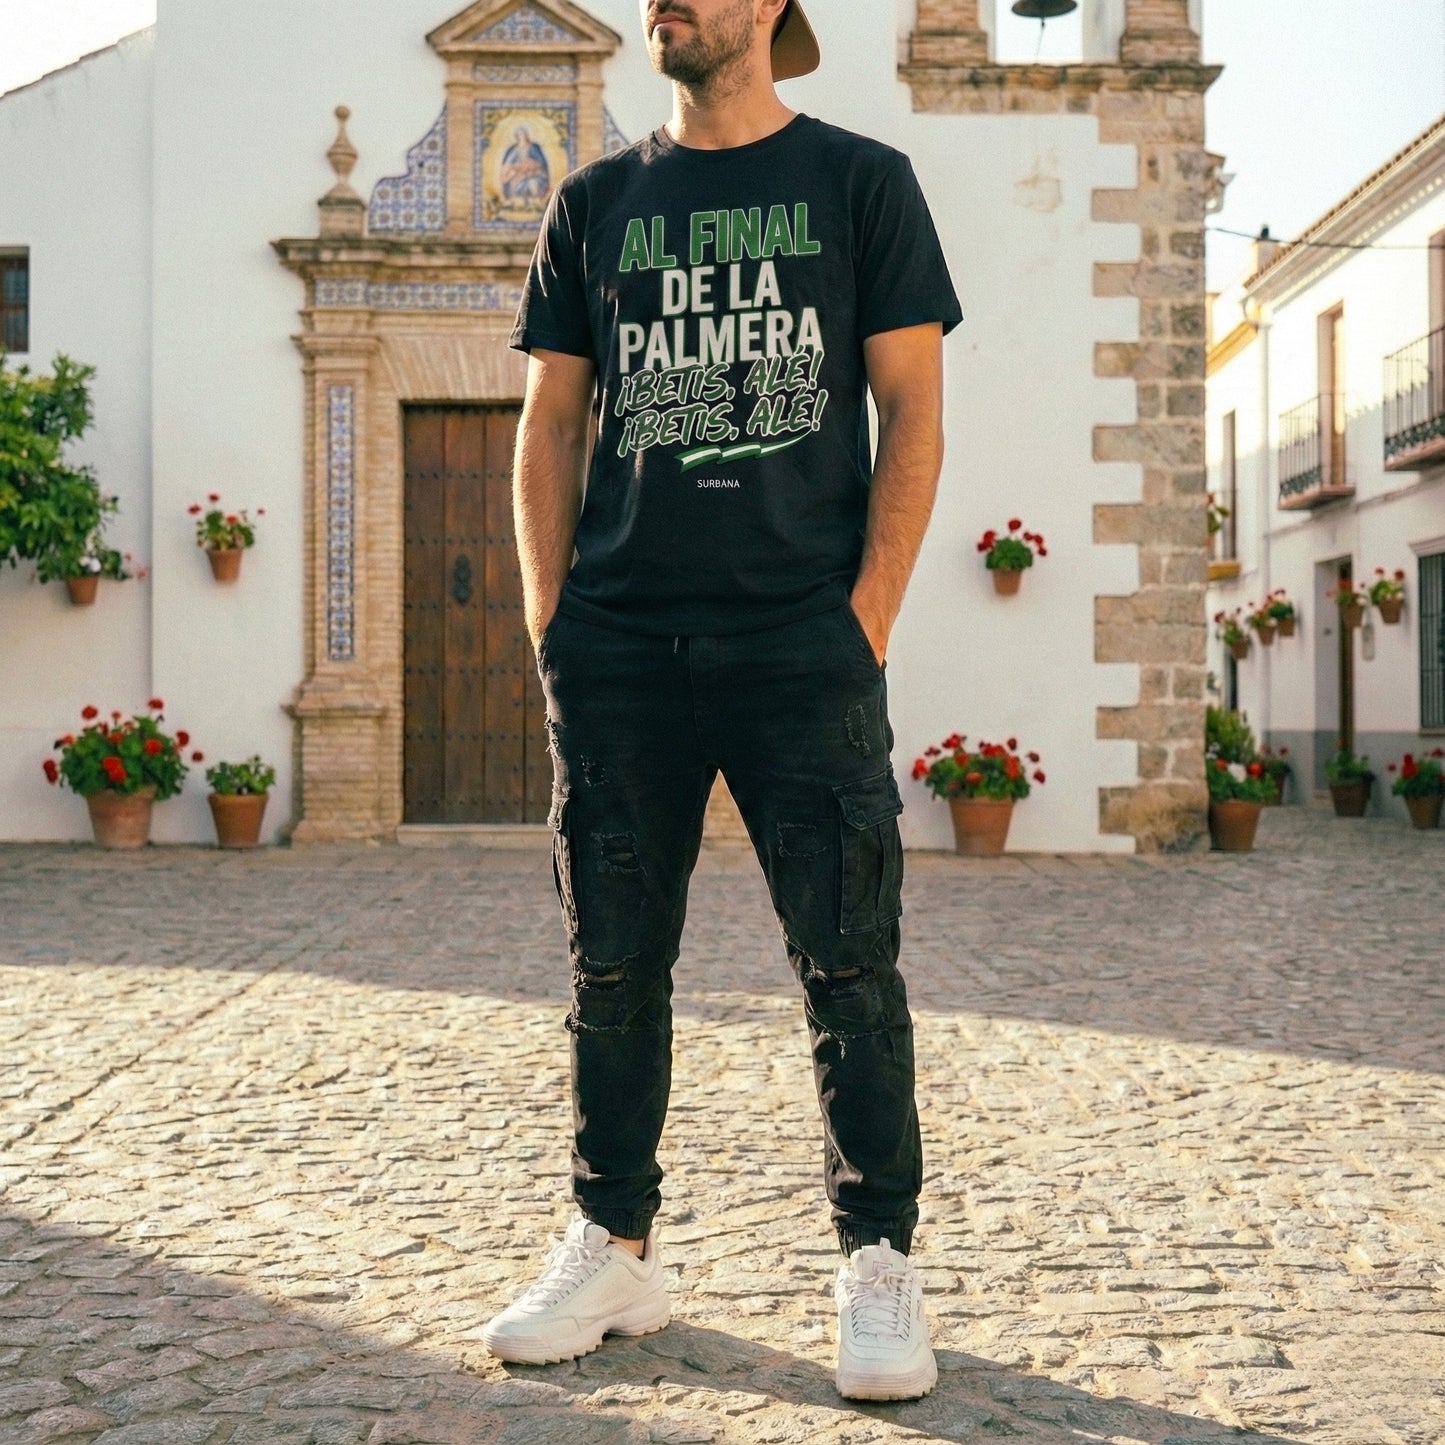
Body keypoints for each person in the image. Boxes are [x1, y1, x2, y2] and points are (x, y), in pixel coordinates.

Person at [482, 0, 962, 1402]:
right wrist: (550, 621)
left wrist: (862, 618)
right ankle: (613, 1241)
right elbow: (549, 422)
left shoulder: (860, 184)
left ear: (766, 8)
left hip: (799, 644)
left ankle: (876, 1263)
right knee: (612, 964)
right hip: (623, 647)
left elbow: (912, 409)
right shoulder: (593, 201)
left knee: (848, 963)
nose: (660, 4)